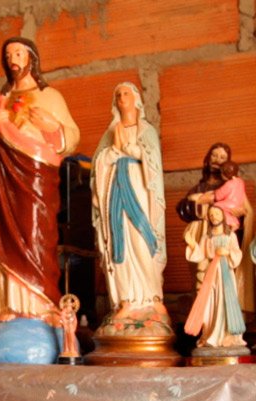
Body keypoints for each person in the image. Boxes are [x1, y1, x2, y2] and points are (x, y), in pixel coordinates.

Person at [0, 37, 80, 326]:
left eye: (18, 53)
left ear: (32, 58)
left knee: (36, 237)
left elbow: (71, 138)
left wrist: (52, 127)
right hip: (3, 182)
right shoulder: (0, 101)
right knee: (4, 237)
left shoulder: (51, 97)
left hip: (37, 178)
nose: (13, 60)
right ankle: (8, 304)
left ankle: (41, 306)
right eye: (8, 55)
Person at [90, 82, 168, 325]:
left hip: (140, 188)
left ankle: (152, 296)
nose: (122, 97)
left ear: (136, 99)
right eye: (118, 95)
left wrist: (133, 150)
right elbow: (99, 163)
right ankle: (126, 300)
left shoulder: (147, 131)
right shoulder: (110, 132)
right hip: (115, 188)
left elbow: (153, 163)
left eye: (126, 93)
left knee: (142, 237)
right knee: (119, 238)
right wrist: (114, 152)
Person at [178, 143, 254, 313]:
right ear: (207, 159)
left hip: (223, 239)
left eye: (222, 157)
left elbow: (246, 211)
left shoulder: (230, 186)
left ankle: (222, 314)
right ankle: (202, 314)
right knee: (200, 275)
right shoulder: (200, 187)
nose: (217, 160)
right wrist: (195, 206)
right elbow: (183, 207)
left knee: (222, 279)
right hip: (203, 237)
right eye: (214, 155)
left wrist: (240, 212)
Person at [185, 206, 247, 348]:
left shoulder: (230, 235)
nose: (214, 217)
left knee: (226, 300)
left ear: (223, 216)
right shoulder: (207, 237)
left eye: (217, 213)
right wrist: (192, 244)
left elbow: (237, 253)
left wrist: (227, 252)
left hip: (226, 273)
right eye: (211, 214)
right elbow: (200, 254)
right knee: (210, 302)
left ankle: (227, 335)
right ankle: (210, 333)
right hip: (212, 273)